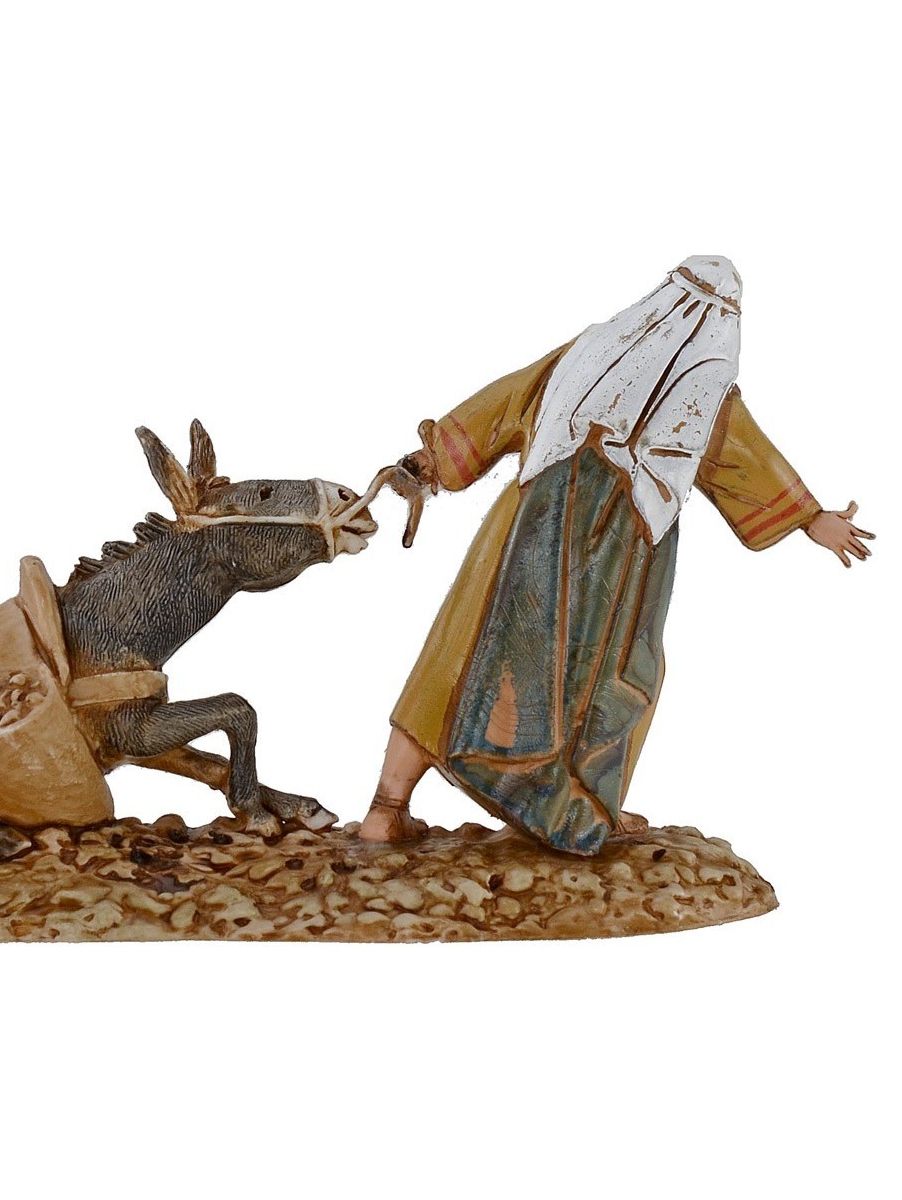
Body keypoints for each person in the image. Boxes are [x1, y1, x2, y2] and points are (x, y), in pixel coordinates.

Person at [360, 256, 873, 853]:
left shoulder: (592, 352)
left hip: (558, 532)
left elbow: (507, 401)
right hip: (610, 554)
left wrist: (429, 464)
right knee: (561, 667)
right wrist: (811, 518)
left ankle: (409, 808)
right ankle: (517, 805)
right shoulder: (698, 387)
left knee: (484, 655)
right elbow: (745, 456)